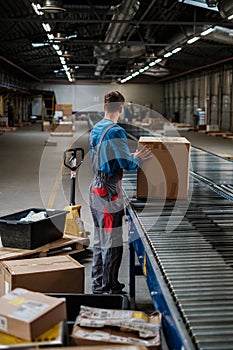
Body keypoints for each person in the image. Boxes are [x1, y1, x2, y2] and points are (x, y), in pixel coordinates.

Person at [89, 91, 151, 294]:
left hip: (96, 188)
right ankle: (108, 287)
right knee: (113, 243)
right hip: (108, 193)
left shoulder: (97, 128)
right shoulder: (116, 131)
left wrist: (128, 155)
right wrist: (138, 158)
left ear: (105, 107)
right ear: (121, 108)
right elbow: (126, 164)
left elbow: (107, 157)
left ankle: (99, 284)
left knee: (100, 241)